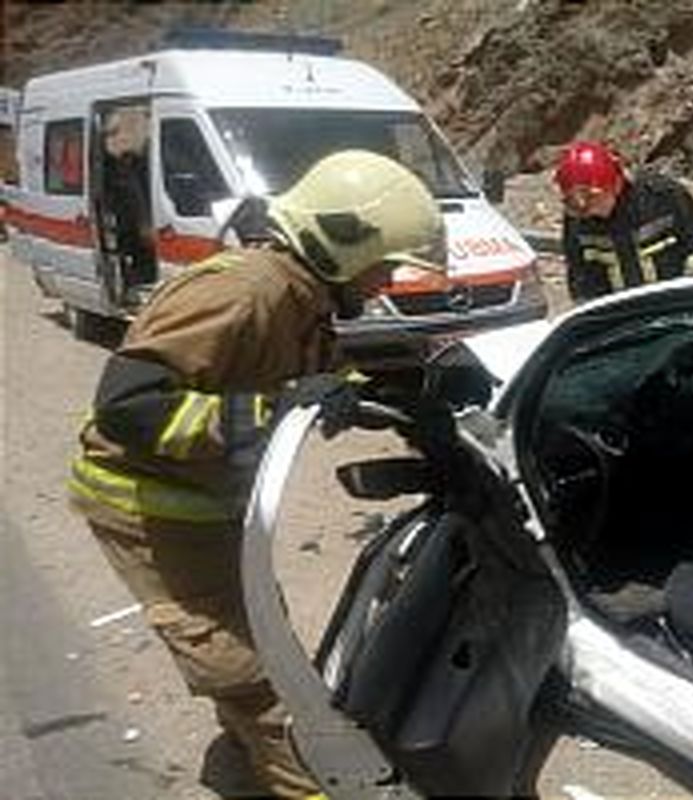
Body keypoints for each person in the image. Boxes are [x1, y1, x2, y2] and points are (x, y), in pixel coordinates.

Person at [67, 150, 447, 800]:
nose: (383, 283)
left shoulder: (299, 292)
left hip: (210, 501)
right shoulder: (246, 288)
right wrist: (273, 415)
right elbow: (130, 407)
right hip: (149, 505)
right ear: (342, 239)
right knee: (251, 671)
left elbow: (308, 375)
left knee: (256, 630)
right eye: (382, 265)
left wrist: (407, 397)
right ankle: (314, 787)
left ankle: (249, 755)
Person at [555, 140, 693, 303]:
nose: (585, 208)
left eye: (591, 198)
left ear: (616, 184)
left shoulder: (661, 195)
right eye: (573, 201)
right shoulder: (577, 219)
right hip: (624, 314)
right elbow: (579, 271)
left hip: (674, 304)